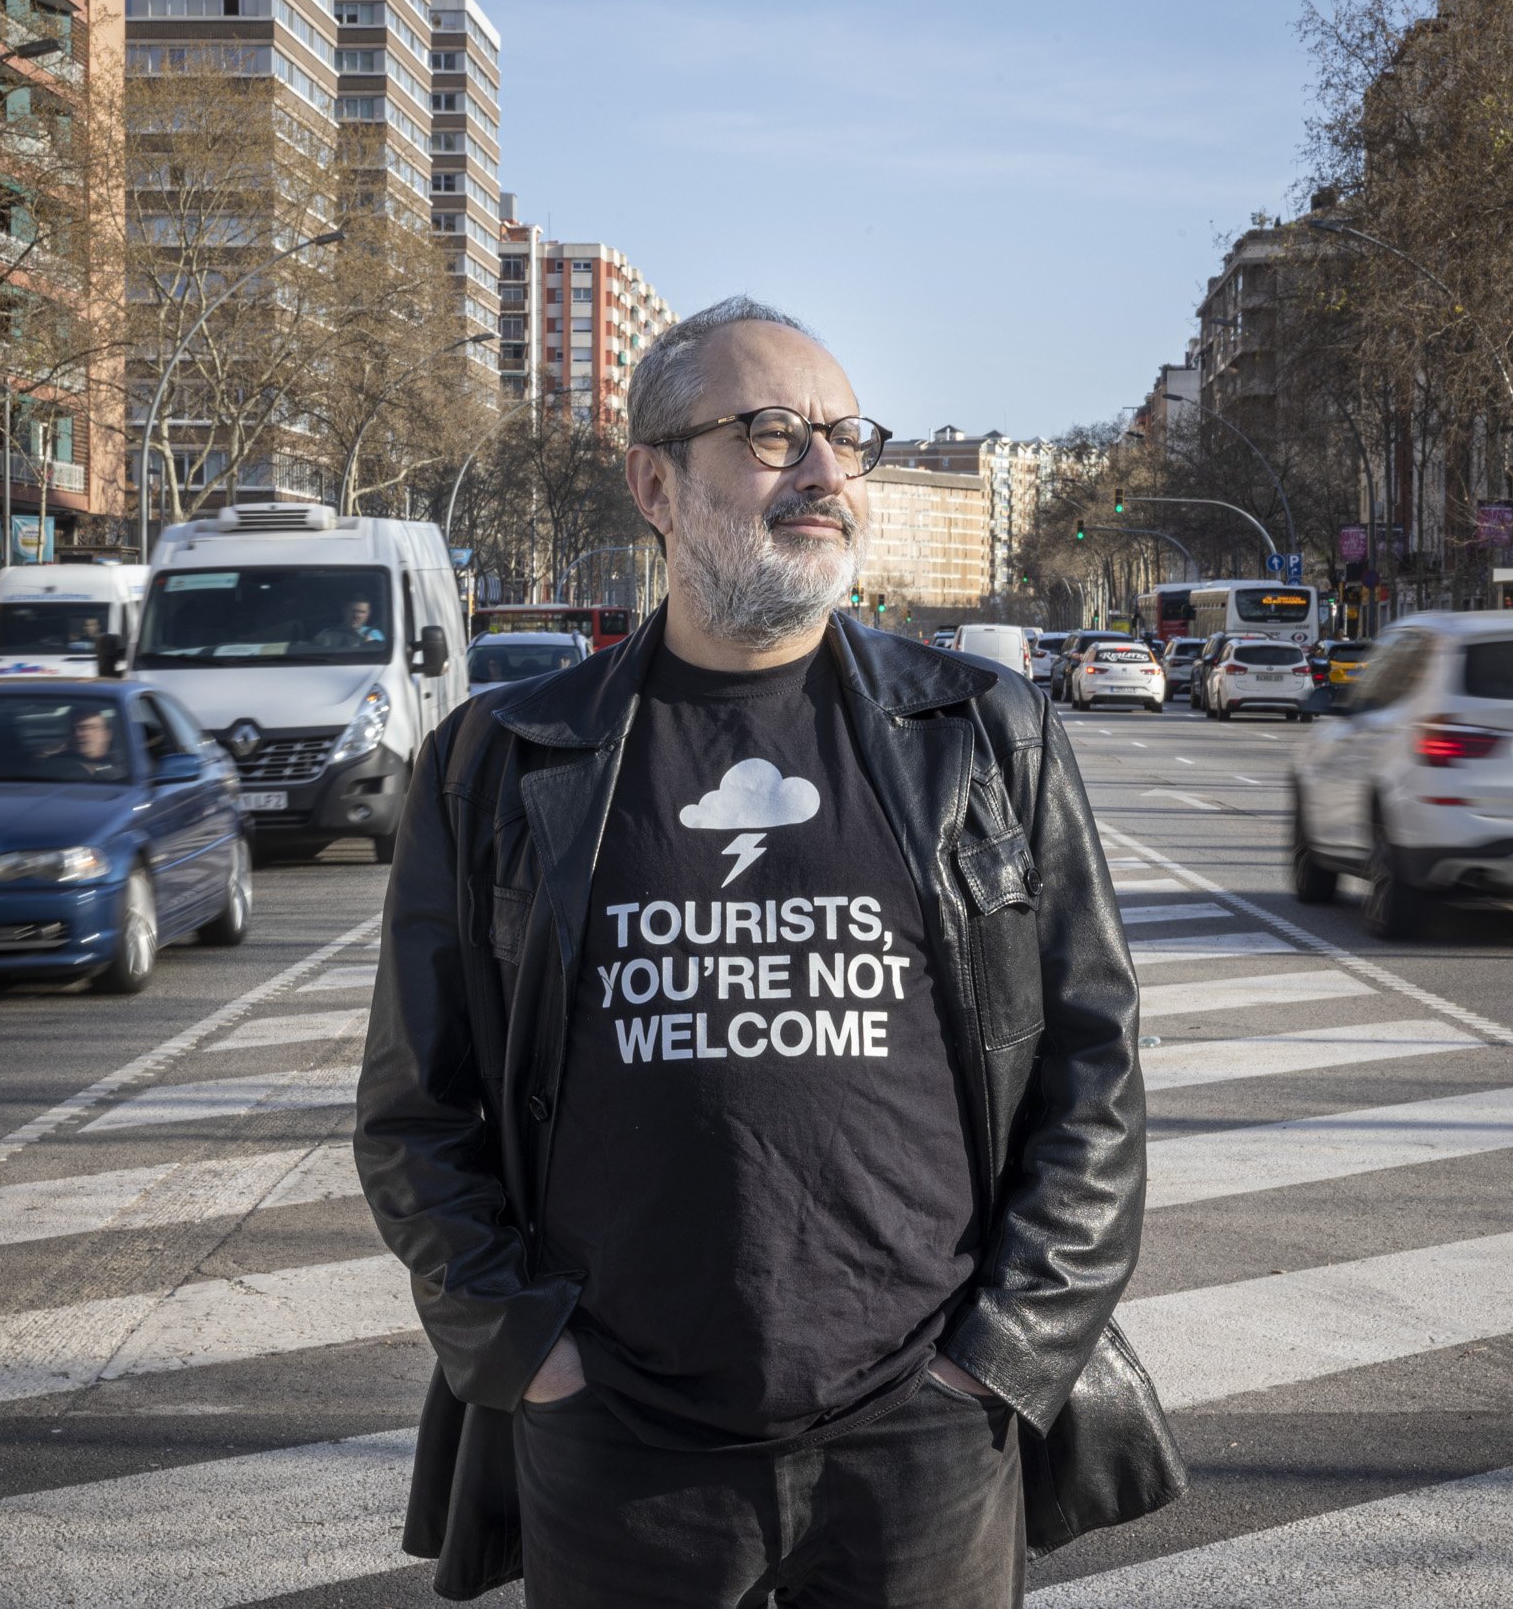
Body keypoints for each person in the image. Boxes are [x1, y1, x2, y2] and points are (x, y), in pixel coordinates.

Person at [357, 297, 1182, 1606]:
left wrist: (1000, 1357)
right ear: (655, 482)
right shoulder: (503, 763)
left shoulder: (984, 735)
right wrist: (531, 1352)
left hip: (925, 1434)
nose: (826, 473)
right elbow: (415, 1112)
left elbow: (1096, 1072)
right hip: (620, 1441)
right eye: (772, 433)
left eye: (844, 437)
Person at [34, 707, 126, 782]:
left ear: (107, 734)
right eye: (74, 729)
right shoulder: (56, 765)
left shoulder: (127, 763)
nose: (80, 734)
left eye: (91, 728)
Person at [309, 597, 386, 651]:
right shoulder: (327, 635)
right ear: (344, 610)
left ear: (368, 614)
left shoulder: (374, 635)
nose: (357, 616)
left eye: (362, 612)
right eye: (353, 611)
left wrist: (371, 645)